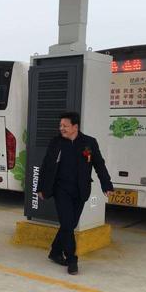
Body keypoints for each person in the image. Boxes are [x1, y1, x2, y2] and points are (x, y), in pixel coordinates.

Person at [37, 111, 114, 275]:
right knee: (67, 224)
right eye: (60, 126)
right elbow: (46, 165)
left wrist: (106, 185)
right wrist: (40, 187)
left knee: (69, 224)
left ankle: (55, 251)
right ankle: (72, 259)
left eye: (65, 126)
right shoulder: (56, 142)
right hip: (61, 189)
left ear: (75, 127)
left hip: (80, 190)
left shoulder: (89, 143)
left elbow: (99, 165)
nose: (61, 128)